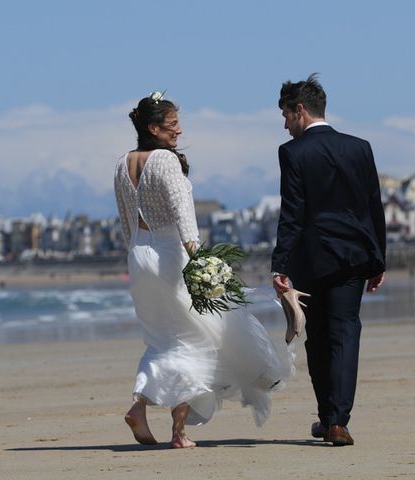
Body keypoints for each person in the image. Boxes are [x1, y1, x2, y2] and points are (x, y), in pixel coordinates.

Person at [115, 92, 294, 448]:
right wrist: (199, 258)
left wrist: (136, 255)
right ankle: (178, 433)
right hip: (170, 256)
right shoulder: (165, 161)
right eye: (172, 124)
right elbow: (183, 212)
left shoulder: (122, 163)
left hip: (138, 256)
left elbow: (124, 221)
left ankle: (139, 404)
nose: (179, 131)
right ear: (153, 127)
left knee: (160, 339)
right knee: (193, 340)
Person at [271, 74, 386, 446]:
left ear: (299, 110)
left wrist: (280, 265)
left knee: (318, 338)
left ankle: (329, 417)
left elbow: (292, 213)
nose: (285, 124)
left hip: (313, 259)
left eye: (286, 116)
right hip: (354, 256)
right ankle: (337, 421)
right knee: (346, 332)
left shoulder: (293, 153)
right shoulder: (360, 147)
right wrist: (378, 260)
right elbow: (374, 208)